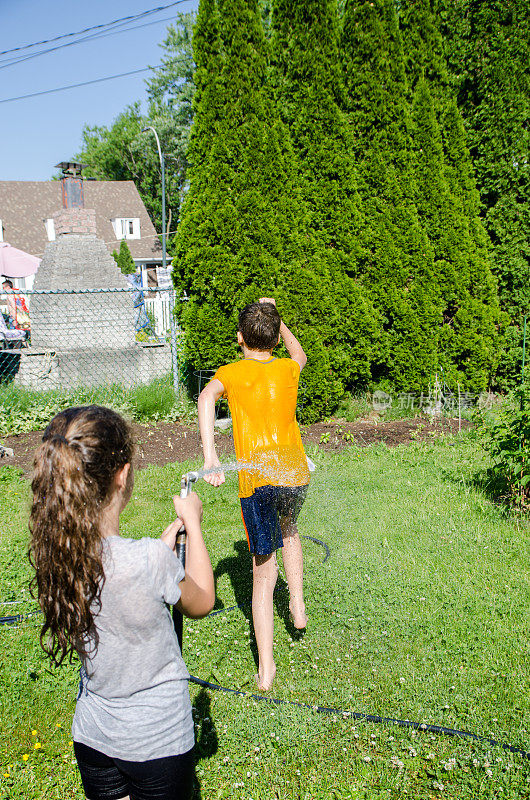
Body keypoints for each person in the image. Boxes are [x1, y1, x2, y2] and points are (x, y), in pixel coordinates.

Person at [29, 405, 215, 800]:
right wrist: (193, 525)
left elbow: (119, 578)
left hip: (94, 738)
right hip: (157, 742)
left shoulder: (58, 553)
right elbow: (201, 601)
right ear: (123, 475)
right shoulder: (147, 560)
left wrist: (160, 556)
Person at [198, 298, 310, 692]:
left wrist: (212, 457)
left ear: (240, 338)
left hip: (258, 482)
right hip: (295, 471)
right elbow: (300, 352)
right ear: (275, 339)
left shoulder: (231, 372)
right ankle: (296, 605)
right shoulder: (287, 367)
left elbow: (205, 398)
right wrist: (278, 320)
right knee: (291, 529)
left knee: (262, 573)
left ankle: (266, 667)